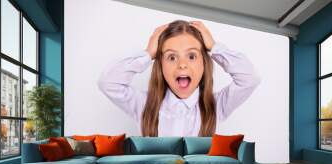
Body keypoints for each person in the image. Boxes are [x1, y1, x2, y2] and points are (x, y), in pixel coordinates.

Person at [98, 20, 261, 137]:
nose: (182, 65)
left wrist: (214, 47)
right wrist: (147, 54)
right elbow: (108, 82)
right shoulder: (143, 104)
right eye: (171, 57)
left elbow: (250, 78)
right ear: (160, 65)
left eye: (191, 56)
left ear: (204, 63)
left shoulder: (217, 105)